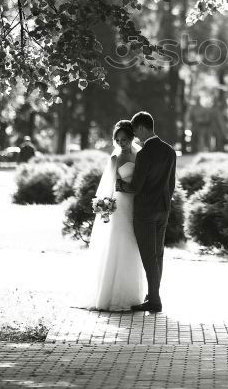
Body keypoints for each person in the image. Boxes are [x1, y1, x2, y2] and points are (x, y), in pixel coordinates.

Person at [80, 120, 146, 311]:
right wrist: (105, 204)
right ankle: (112, 295)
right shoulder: (114, 158)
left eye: (124, 139)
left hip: (136, 205)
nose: (120, 143)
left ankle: (132, 295)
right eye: (117, 140)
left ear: (131, 138)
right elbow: (107, 186)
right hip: (120, 206)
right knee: (119, 244)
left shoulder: (140, 155)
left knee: (132, 246)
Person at [116, 111, 176, 314]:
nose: (136, 135)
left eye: (135, 131)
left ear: (142, 128)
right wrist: (165, 203)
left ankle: (155, 300)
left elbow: (136, 187)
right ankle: (152, 295)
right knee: (158, 255)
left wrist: (119, 186)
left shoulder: (144, 154)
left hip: (145, 212)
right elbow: (172, 184)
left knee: (149, 257)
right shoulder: (169, 151)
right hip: (163, 209)